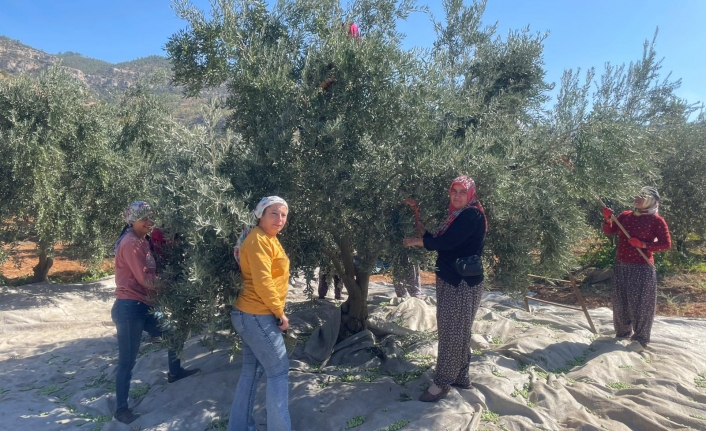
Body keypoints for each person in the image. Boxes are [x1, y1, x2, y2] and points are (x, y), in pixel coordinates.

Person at [111, 201, 199, 424]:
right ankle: (121, 409)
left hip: (144, 305)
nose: (149, 223)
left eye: (151, 218)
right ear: (132, 220)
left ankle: (174, 373)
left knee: (174, 333)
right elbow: (145, 279)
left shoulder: (143, 241)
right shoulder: (131, 243)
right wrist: (171, 282)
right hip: (129, 308)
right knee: (127, 362)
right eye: (144, 219)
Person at [403, 176, 487, 402]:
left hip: (461, 283)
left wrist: (416, 241)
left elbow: (448, 243)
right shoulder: (458, 216)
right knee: (459, 330)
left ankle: (442, 383)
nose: (457, 195)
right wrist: (426, 234)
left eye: (462, 192)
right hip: (454, 279)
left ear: (470, 194)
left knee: (451, 331)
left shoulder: (472, 214)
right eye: (454, 191)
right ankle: (460, 375)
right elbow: (446, 242)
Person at [229, 196, 292, 431]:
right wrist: (279, 314)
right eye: (274, 213)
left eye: (283, 214)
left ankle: (239, 427)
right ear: (261, 215)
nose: (280, 219)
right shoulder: (258, 240)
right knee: (279, 371)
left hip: (250, 315)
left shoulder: (268, 238)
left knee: (251, 370)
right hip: (257, 314)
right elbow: (264, 282)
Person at [601, 186, 671, 350]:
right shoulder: (625, 216)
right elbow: (610, 231)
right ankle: (622, 333)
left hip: (642, 268)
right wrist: (607, 219)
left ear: (652, 200)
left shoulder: (657, 220)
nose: (637, 198)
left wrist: (644, 245)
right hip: (621, 265)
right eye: (637, 196)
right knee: (620, 301)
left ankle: (640, 339)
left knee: (641, 304)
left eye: (642, 196)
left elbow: (666, 244)